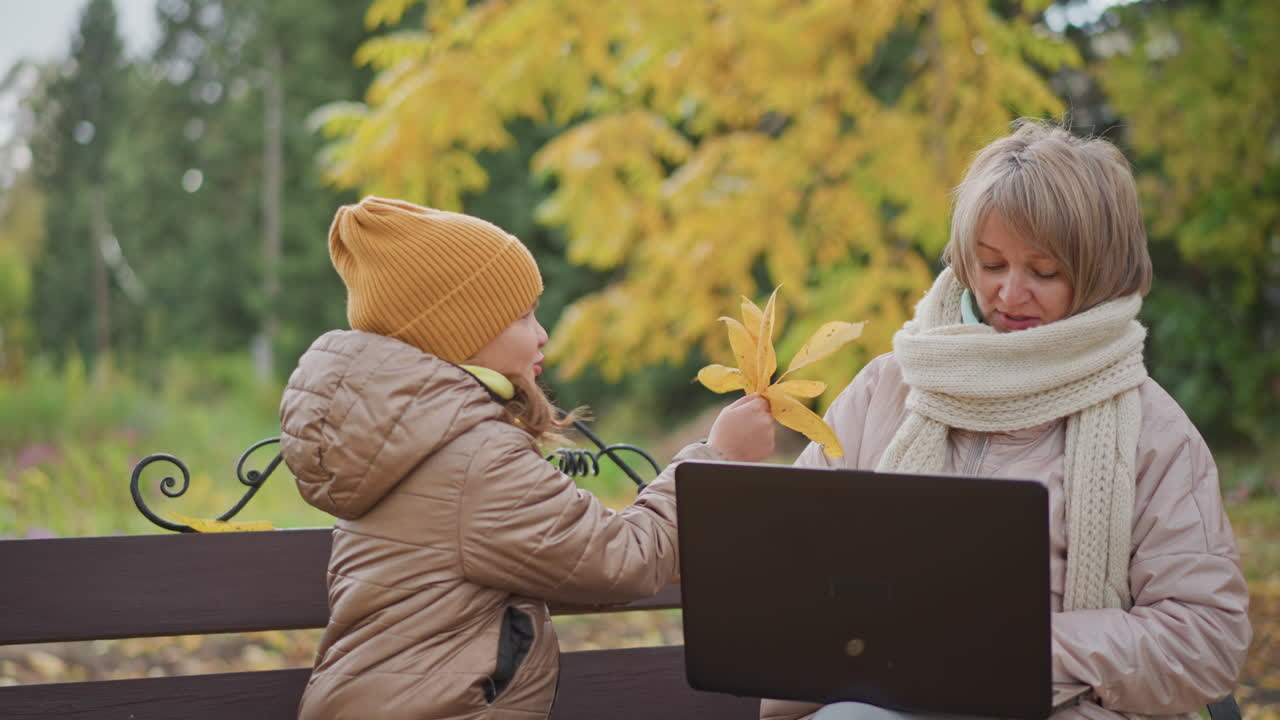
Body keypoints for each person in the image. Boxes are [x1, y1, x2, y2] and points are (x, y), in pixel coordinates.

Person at [760, 120, 1251, 720]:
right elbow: (795, 562)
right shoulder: (886, 388)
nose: (1011, 294)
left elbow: (1203, 638)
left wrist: (1020, 650)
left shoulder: (1153, 431)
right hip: (880, 700)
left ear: (1099, 272)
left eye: (1043, 273)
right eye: (991, 265)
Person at [278, 196, 775, 720]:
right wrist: (720, 458)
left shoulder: (407, 441)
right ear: (458, 331)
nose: (542, 335)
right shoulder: (470, 459)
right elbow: (619, 560)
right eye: (522, 317)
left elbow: (567, 555)